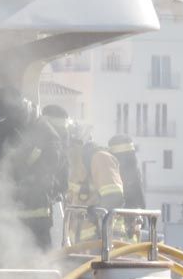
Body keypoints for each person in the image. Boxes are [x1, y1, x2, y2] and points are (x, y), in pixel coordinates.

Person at [0, 87, 68, 257]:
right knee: (5, 274)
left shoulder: (46, 134)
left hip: (36, 222)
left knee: (37, 274)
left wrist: (22, 157)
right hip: (6, 221)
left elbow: (49, 170)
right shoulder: (7, 130)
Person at [39, 106, 124, 247]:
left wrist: (94, 215)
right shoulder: (69, 166)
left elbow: (114, 198)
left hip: (105, 246)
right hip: (79, 247)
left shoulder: (99, 158)